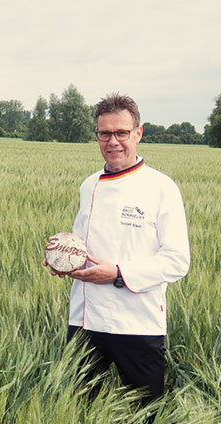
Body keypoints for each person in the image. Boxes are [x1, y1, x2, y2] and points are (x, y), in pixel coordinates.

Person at [43, 93, 190, 407]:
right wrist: (63, 261)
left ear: (138, 132)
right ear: (96, 135)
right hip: (84, 321)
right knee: (78, 413)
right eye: (104, 133)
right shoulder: (89, 184)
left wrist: (119, 274)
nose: (113, 141)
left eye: (121, 132)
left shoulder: (162, 187)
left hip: (137, 324)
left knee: (146, 417)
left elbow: (177, 261)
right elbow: (84, 245)